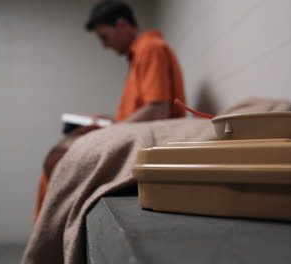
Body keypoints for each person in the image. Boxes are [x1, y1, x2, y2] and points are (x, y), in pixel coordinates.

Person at [34, 0, 186, 221]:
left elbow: (158, 109)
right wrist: (108, 121)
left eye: (104, 37)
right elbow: (147, 110)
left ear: (122, 24)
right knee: (56, 162)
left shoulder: (150, 48)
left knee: (58, 161)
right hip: (136, 136)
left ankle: (50, 234)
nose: (104, 45)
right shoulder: (139, 55)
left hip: (150, 143)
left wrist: (111, 128)